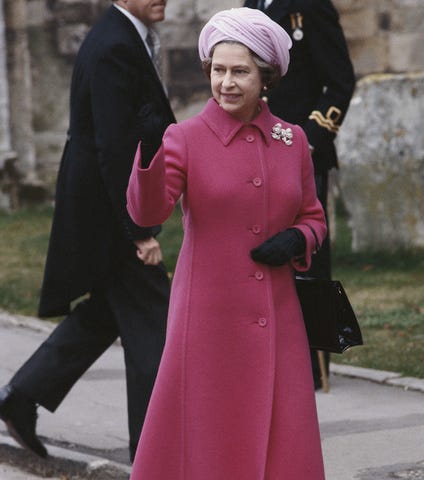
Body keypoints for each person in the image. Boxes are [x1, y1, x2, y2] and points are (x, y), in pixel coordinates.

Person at [127, 7, 328, 479]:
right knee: (208, 440)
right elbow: (148, 212)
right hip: (207, 322)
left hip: (278, 319)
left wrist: (299, 237)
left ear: (267, 77)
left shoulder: (292, 139)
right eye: (219, 70)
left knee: (283, 442)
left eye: (240, 71)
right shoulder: (186, 138)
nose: (227, 83)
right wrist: (149, 156)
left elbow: (314, 216)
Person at [0, 0, 175, 462]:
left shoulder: (121, 35)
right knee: (155, 324)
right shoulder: (115, 43)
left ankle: (22, 396)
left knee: (110, 314)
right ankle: (153, 456)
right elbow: (115, 147)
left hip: (103, 210)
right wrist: (139, 228)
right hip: (111, 216)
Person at [245, 0, 356, 389]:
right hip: (257, 150)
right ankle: (269, 351)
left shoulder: (312, 6)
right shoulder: (253, 4)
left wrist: (308, 140)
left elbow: (341, 81)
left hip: (304, 153)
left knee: (311, 257)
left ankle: (318, 362)